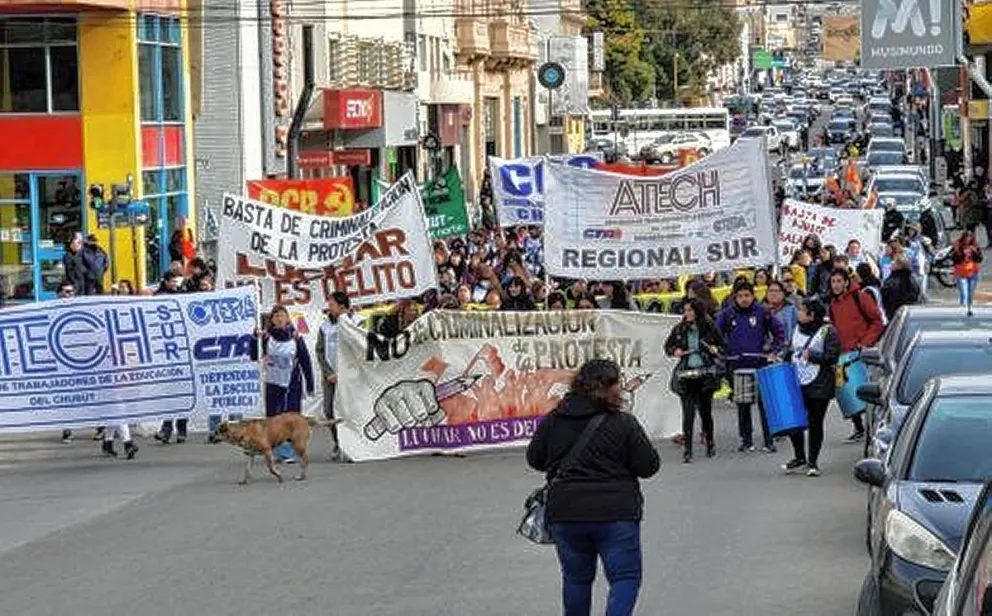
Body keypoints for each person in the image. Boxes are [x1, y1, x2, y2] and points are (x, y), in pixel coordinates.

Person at [526, 359, 660, 616]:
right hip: (616, 514)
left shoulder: (554, 420)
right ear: (609, 388)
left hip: (566, 512)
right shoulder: (623, 423)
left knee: (576, 579)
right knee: (625, 578)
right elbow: (649, 466)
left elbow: (535, 459)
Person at [716, 278, 786, 453]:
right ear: (734, 297)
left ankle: (769, 440)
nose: (744, 299)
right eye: (740, 296)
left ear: (753, 296)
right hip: (738, 366)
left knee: (765, 405)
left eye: (747, 295)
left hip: (761, 365)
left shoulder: (763, 312)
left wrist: (774, 351)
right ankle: (746, 440)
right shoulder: (727, 314)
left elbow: (779, 334)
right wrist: (722, 351)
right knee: (743, 405)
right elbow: (715, 335)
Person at [781, 298, 840, 477]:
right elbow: (791, 350)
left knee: (815, 422)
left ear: (811, 314)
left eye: (802, 310)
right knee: (793, 420)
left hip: (819, 384)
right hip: (797, 381)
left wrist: (813, 356)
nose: (798, 313)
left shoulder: (828, 331)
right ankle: (799, 456)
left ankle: (812, 461)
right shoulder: (797, 329)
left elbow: (832, 357)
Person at [827, 268, 885, 442]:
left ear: (846, 282)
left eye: (838, 281)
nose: (835, 285)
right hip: (842, 355)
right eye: (833, 282)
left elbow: (877, 321)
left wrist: (864, 343)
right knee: (846, 391)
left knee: (866, 393)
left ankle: (872, 428)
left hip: (861, 354)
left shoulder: (860, 297)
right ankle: (858, 427)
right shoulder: (832, 304)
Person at [252, 305, 316, 463]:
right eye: (276, 316)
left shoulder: (295, 337)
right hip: (273, 383)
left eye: (282, 316)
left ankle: (291, 451)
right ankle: (276, 451)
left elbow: (305, 361)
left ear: (287, 318)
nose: (279, 319)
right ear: (271, 320)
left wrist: (310, 383)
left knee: (290, 417)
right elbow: (254, 355)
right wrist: (254, 339)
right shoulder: (266, 337)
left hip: (291, 383)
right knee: (274, 418)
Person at [665, 299, 724, 463]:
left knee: (706, 413)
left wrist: (715, 349)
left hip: (705, 374)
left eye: (690, 310)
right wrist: (675, 350)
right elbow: (668, 347)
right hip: (686, 374)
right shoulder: (679, 329)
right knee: (688, 413)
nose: (687, 314)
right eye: (685, 310)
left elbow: (723, 346)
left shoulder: (709, 328)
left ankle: (710, 442)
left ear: (697, 312)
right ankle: (688, 450)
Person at [315, 292, 363, 462]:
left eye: (332, 304)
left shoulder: (358, 322)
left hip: (350, 376)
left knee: (350, 410)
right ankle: (338, 442)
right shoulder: (325, 326)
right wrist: (328, 372)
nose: (329, 307)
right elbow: (319, 351)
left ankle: (354, 444)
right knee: (329, 411)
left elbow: (362, 349)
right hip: (331, 377)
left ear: (342, 306)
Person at [952, 224, 984, 314]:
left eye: (970, 237)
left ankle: (970, 309)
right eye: (966, 237)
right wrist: (962, 253)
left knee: (970, 293)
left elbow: (980, 259)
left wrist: (975, 252)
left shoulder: (975, 246)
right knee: (964, 293)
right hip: (961, 273)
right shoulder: (958, 246)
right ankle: (963, 310)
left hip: (973, 273)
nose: (968, 239)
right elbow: (955, 260)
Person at [881, 256, 921, 320]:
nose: (891, 264)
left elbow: (884, 297)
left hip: (894, 314)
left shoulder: (892, 281)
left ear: (898, 266)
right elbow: (917, 293)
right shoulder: (913, 279)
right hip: (910, 314)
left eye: (894, 263)